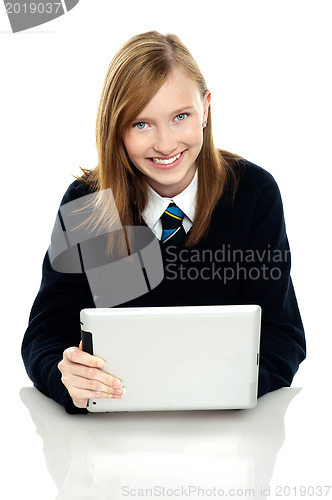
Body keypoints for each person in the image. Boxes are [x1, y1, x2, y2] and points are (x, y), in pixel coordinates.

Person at [22, 31, 306, 414]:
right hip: (110, 435)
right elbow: (45, 334)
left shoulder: (253, 194)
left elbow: (283, 334)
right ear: (115, 128)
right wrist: (66, 378)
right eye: (141, 124)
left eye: (180, 117)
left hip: (225, 434)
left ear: (205, 109)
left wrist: (229, 388)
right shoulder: (89, 205)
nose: (166, 143)